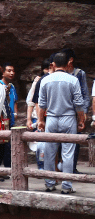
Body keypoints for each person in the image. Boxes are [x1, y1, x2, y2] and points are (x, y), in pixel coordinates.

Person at [37, 52, 85, 194]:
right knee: (68, 154)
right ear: (68, 64)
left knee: (49, 152)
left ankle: (50, 183)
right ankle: (66, 185)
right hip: (68, 118)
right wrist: (81, 119)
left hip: (51, 119)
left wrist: (40, 120)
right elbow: (78, 103)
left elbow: (41, 104)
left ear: (53, 65)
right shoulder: (73, 80)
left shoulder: (45, 80)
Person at [60, 49, 90, 174]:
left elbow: (85, 95)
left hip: (75, 114)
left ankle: (72, 168)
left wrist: (83, 113)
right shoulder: (59, 74)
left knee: (75, 142)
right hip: (61, 112)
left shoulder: (79, 73)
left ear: (70, 60)